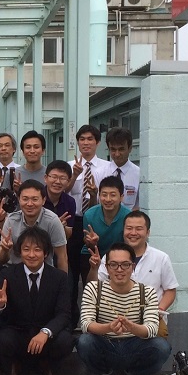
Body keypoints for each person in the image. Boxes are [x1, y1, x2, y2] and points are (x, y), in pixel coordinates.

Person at [76, 242, 171, 375]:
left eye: (125, 265)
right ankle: (99, 374)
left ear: (133, 267)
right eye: (113, 265)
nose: (119, 270)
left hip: (134, 344)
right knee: (84, 341)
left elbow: (152, 329)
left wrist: (132, 327)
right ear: (106, 267)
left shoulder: (147, 292)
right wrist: (108, 327)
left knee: (162, 347)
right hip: (105, 342)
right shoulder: (94, 288)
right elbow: (86, 324)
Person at [0, 227, 72, 375]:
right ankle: (11, 369)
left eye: (37, 250)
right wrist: (1, 305)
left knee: (65, 340)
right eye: (26, 249)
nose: (31, 254)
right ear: (20, 252)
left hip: (46, 334)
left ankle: (50, 369)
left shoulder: (59, 277)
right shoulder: (8, 275)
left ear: (46, 253)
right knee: (0, 339)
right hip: (19, 332)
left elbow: (64, 314)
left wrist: (45, 332)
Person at [89, 211, 178, 333]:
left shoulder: (161, 258)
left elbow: (170, 290)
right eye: (129, 228)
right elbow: (96, 285)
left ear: (148, 232)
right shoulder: (110, 257)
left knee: (160, 342)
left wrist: (158, 310)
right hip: (114, 321)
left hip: (149, 320)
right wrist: (94, 269)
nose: (133, 233)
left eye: (139, 229)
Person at [65, 124, 111, 294]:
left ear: (98, 142)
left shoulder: (108, 167)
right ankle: (71, 308)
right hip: (73, 221)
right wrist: (75, 175)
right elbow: (63, 193)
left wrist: (94, 195)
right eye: (82, 139)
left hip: (95, 222)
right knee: (71, 269)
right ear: (77, 142)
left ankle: (91, 304)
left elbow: (108, 198)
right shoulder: (69, 166)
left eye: (90, 139)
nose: (86, 143)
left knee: (91, 267)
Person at [0, 180, 68, 273]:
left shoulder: (52, 221)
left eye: (34, 199)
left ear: (43, 200)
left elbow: (62, 256)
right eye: (25, 199)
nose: (29, 204)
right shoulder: (11, 220)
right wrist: (5, 249)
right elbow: (2, 260)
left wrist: (62, 281)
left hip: (43, 272)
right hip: (15, 270)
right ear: (19, 199)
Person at [80, 176, 131, 285]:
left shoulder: (128, 216)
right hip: (93, 254)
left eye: (113, 195)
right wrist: (92, 243)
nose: (108, 199)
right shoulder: (89, 214)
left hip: (118, 255)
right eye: (104, 194)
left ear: (121, 197)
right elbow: (87, 243)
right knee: (91, 288)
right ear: (99, 196)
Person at [105, 127, 140, 210]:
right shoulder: (100, 172)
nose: (117, 154)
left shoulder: (139, 174)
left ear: (130, 148)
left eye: (121, 149)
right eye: (113, 149)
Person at [43, 160, 77, 241]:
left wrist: (61, 227)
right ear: (46, 178)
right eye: (54, 177)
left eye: (62, 178)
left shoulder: (70, 202)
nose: (58, 182)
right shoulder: (37, 198)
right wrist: (55, 224)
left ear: (68, 182)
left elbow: (68, 235)